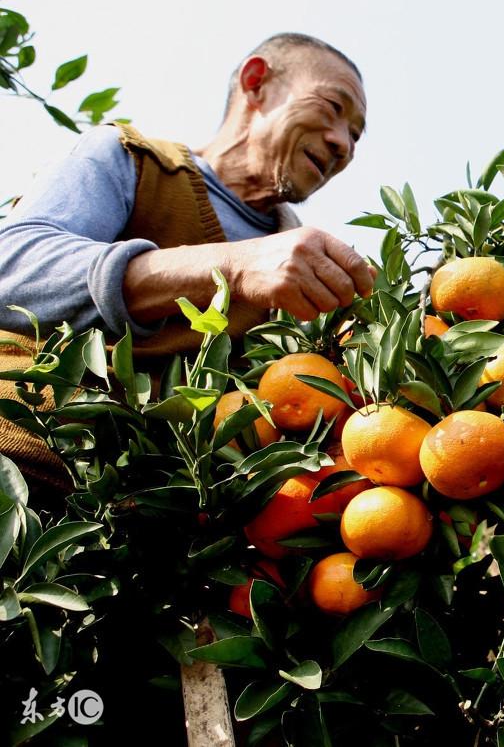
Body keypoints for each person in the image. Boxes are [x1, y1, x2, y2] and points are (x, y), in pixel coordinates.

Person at [0, 32, 374, 502]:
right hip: (16, 464)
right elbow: (10, 269)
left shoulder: (311, 284)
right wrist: (232, 268)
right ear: (257, 82)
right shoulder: (129, 159)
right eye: (332, 107)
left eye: (355, 135)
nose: (342, 143)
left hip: (138, 545)